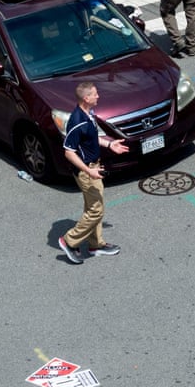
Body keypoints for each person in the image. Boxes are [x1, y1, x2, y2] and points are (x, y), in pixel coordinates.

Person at [56, 82, 128, 264]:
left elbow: (91, 137)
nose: (98, 96)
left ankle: (96, 244)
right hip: (87, 171)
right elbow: (68, 151)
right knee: (96, 210)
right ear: (86, 98)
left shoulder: (89, 114)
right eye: (95, 94)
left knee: (93, 207)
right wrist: (88, 171)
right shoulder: (77, 121)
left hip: (93, 166)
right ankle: (69, 241)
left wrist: (110, 144)